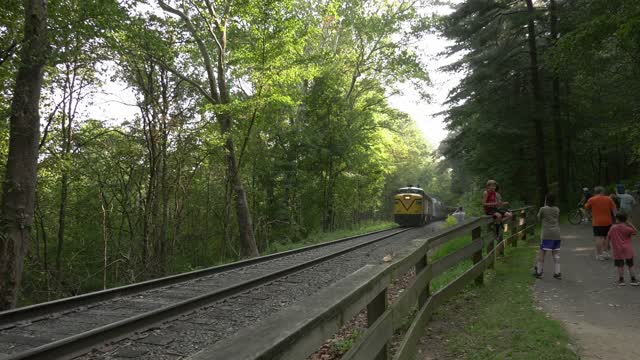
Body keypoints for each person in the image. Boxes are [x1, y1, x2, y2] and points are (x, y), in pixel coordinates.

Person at [585, 186, 617, 260]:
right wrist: (616, 218)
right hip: (608, 221)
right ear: (601, 192)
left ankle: (599, 255)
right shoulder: (609, 199)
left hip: (597, 222)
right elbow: (614, 209)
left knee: (598, 238)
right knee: (606, 237)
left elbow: (586, 208)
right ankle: (605, 253)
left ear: (595, 192)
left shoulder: (591, 199)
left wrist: (588, 216)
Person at [534, 194, 562, 279]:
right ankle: (557, 272)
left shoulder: (543, 209)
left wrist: (542, 209)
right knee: (555, 253)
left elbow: (538, 218)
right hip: (556, 234)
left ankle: (539, 272)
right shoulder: (557, 209)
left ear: (546, 200)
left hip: (546, 234)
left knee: (542, 253)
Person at [607, 212, 639, 286]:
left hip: (618, 250)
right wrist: (630, 224)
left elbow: (608, 237)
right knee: (630, 265)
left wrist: (607, 245)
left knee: (620, 265)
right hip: (628, 249)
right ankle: (633, 279)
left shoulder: (613, 227)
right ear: (625, 220)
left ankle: (621, 280)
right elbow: (635, 232)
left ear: (617, 219)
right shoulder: (627, 228)